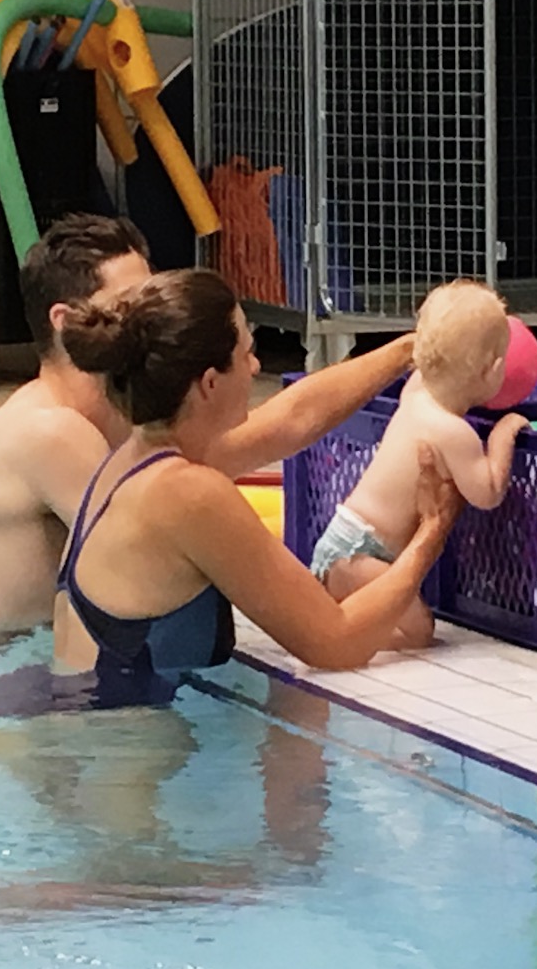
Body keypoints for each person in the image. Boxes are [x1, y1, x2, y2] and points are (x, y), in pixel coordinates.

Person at [0, 213, 417, 642]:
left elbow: (284, 423)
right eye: (130, 302)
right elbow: (315, 628)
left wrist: (409, 349)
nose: (150, 314)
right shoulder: (51, 430)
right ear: (65, 322)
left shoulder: (128, 418)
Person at [48, 268, 459, 705]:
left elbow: (294, 418)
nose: (256, 367)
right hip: (134, 736)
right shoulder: (190, 493)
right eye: (247, 353)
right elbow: (337, 643)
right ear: (210, 383)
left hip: (88, 717)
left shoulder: (132, 461)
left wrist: (413, 349)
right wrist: (432, 530)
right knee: (304, 709)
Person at [308, 280, 527, 648]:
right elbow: (488, 493)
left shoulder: (416, 389)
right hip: (363, 553)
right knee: (420, 631)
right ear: (493, 370)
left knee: (388, 616)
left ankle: (341, 619)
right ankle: (350, 639)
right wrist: (504, 433)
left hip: (344, 538)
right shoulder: (453, 431)